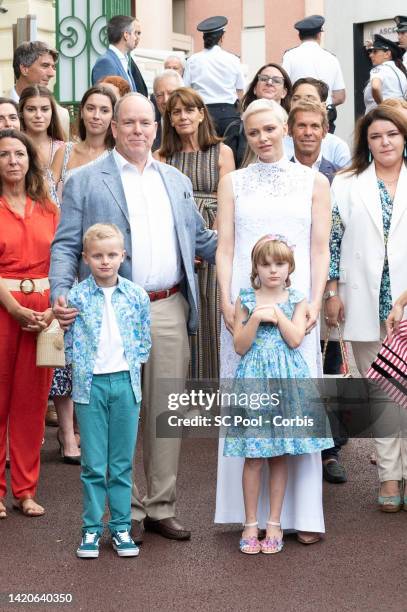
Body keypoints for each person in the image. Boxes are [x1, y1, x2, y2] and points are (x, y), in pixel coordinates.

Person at [49, 92, 217, 542]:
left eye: (146, 122)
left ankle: (161, 506)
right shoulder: (85, 180)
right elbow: (66, 245)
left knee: (164, 409)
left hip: (167, 306)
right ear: (114, 127)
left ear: (156, 127)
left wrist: (261, 242)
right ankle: (128, 511)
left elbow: (202, 241)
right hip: (107, 311)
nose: (138, 130)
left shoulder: (175, 180)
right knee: (117, 409)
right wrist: (60, 291)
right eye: (129, 123)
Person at [215, 99, 331, 543]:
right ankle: (245, 516)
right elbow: (225, 247)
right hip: (243, 309)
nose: (263, 138)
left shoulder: (314, 182)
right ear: (246, 133)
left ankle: (299, 516)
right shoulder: (233, 182)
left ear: (285, 126)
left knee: (294, 413)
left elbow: (319, 248)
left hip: (297, 309)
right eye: (254, 131)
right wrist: (226, 301)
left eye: (270, 128)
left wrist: (316, 300)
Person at [223, 235, 333, 554]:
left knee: (279, 452)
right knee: (254, 455)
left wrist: (278, 314)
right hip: (254, 381)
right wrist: (256, 316)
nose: (273, 270)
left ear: (290, 267)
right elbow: (240, 346)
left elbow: (296, 338)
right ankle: (249, 522)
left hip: (287, 382)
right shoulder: (245, 297)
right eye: (266, 264)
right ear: (256, 267)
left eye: (280, 264)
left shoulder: (297, 298)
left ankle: (274, 522)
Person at [324, 105, 407, 512]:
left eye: (392, 133)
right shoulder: (346, 183)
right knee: (381, 394)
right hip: (362, 300)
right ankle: (390, 476)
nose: (385, 142)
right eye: (376, 136)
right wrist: (331, 292)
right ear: (365, 142)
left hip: (405, 301)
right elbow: (333, 242)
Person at [65, 223, 151, 559]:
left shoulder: (136, 294)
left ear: (122, 256)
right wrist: (79, 369)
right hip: (90, 387)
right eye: (98, 256)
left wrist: (135, 362)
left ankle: (120, 527)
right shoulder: (77, 296)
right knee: (93, 464)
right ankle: (90, 529)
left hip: (126, 385)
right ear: (86, 258)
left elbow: (144, 336)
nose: (105, 261)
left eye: (112, 255)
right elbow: (69, 342)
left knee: (121, 463)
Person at [155, 87, 235, 379]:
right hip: (177, 236)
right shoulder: (162, 156)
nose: (183, 116)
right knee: (184, 313)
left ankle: (216, 383)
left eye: (189, 110)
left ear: (202, 114)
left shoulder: (221, 151)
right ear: (170, 120)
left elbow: (227, 201)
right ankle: (186, 387)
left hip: (215, 237)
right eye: (176, 112)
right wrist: (185, 246)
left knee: (213, 310)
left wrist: (210, 243)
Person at [0, 129, 58, 518]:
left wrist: (50, 310)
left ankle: (24, 490)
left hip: (43, 312)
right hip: (4, 307)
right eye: (4, 154)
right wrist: (15, 308)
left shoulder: (49, 208)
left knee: (33, 404)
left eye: (19, 153)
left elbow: (63, 260)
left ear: (30, 160)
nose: (13, 161)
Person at [288, 100, 347, 483]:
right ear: (290, 130)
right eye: (302, 125)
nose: (308, 132)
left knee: (328, 370)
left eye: (315, 126)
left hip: (323, 286)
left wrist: (330, 290)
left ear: (325, 131)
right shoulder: (275, 171)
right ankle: (291, 450)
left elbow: (335, 237)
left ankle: (328, 451)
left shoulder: (336, 176)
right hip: (284, 288)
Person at [51, 85, 116, 204]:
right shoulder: (65, 151)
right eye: (90, 108)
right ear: (81, 112)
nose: (96, 116)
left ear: (113, 117)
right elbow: (48, 194)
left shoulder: (117, 156)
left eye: (104, 110)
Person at [184, 16, 245, 136]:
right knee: (230, 152)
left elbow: (186, 90)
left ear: (204, 38)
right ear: (221, 38)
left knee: (204, 152)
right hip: (228, 114)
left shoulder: (192, 60)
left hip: (203, 113)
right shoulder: (233, 59)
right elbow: (240, 90)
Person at [282, 14, 345, 128]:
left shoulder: (289, 56)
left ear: (299, 36)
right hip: (325, 113)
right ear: (319, 35)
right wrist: (318, 102)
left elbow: (283, 88)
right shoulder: (332, 58)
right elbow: (340, 96)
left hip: (297, 114)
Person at [224, 63, 292, 168]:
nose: (269, 83)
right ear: (255, 88)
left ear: (284, 92)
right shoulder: (236, 128)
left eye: (276, 80)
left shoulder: (295, 128)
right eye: (264, 79)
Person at [284, 77, 351, 168]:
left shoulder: (337, 147)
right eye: (296, 99)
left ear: (323, 105)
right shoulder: (277, 143)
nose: (302, 104)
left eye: (309, 99)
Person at [11, 41, 70, 139]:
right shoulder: (2, 105)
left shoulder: (61, 114)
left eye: (53, 67)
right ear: (25, 68)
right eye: (45, 66)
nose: (52, 73)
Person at [91, 15, 148, 97]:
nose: (137, 38)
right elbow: (105, 99)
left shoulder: (124, 60)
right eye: (135, 33)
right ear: (126, 35)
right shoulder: (106, 62)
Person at [19, 85, 65, 174]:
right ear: (21, 112)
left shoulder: (63, 148)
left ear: (52, 112)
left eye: (44, 109)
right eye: (31, 109)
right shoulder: (12, 147)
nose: (38, 115)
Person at [364, 35, 407, 113]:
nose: (370, 55)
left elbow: (375, 87)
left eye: (375, 52)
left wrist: (382, 107)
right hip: (399, 117)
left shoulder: (380, 68)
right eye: (371, 52)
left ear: (387, 54)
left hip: (381, 119)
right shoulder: (401, 72)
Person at [152, 69, 184, 152]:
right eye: (160, 95)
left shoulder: (196, 130)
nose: (166, 100)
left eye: (171, 93)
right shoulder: (148, 132)